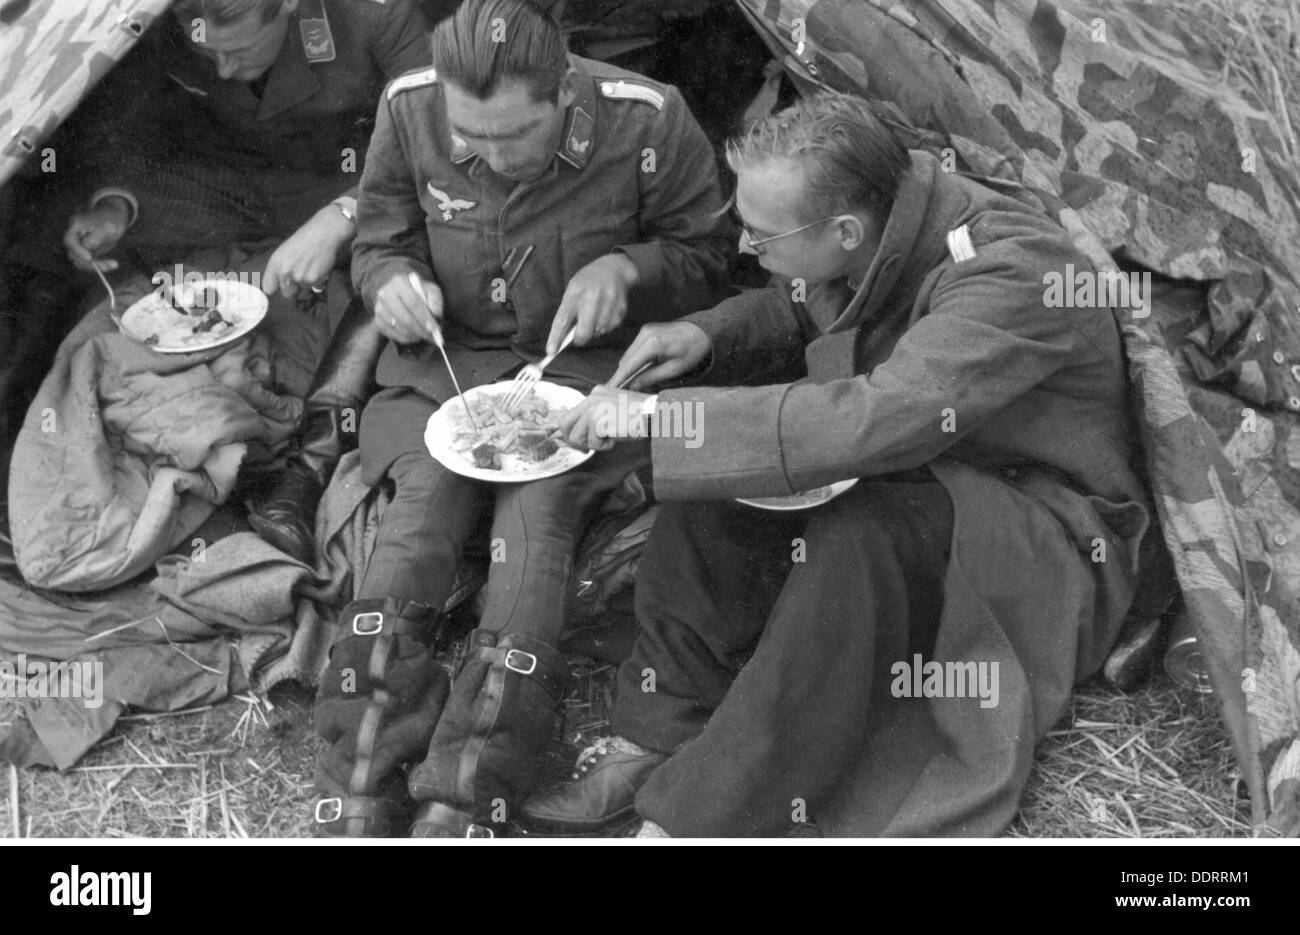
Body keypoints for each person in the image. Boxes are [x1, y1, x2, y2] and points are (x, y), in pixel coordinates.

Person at [524, 92, 1152, 836]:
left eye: (761, 237)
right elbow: (812, 298)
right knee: (721, 487)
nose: (749, 251)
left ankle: (697, 817)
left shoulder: (1015, 270)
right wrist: (705, 333)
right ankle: (655, 731)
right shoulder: (882, 219)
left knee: (855, 543)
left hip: (1043, 519)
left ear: (845, 230)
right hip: (933, 469)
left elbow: (888, 415)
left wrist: (668, 417)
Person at [311, 0, 731, 837]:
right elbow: (378, 240)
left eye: (513, 138)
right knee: (420, 518)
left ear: (566, 93)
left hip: (579, 375)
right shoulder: (409, 106)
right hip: (445, 369)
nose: (488, 158)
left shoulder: (650, 122)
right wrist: (391, 280)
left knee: (536, 523)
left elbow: (710, 257)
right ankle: (365, 765)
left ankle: (472, 783)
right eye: (470, 139)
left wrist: (630, 267)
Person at [50, 0, 447, 535]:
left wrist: (343, 215)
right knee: (74, 225)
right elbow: (135, 123)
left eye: (236, 50)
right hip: (241, 187)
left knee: (403, 268)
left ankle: (309, 468)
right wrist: (115, 205)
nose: (222, 71)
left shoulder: (378, 14)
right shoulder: (168, 16)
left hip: (364, 187)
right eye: (207, 52)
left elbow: (435, 137)